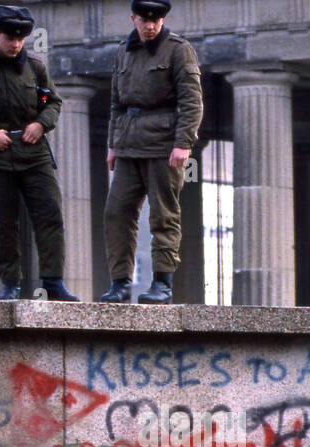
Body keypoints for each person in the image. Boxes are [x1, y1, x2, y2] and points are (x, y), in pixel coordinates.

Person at [0, 5, 80, 302]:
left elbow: (52, 102)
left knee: (50, 215)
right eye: (10, 38)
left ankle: (53, 282)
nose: (15, 44)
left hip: (35, 155)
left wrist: (40, 124)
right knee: (4, 222)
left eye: (21, 39)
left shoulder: (36, 69)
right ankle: (11, 284)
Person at [98, 0, 203, 305]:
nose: (150, 25)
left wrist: (184, 143)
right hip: (129, 144)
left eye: (156, 20)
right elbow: (116, 103)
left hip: (163, 145)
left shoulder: (178, 50)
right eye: (145, 19)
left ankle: (162, 283)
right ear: (133, 18)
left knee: (163, 214)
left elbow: (191, 101)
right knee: (116, 212)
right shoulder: (123, 51)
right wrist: (112, 144)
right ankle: (120, 284)